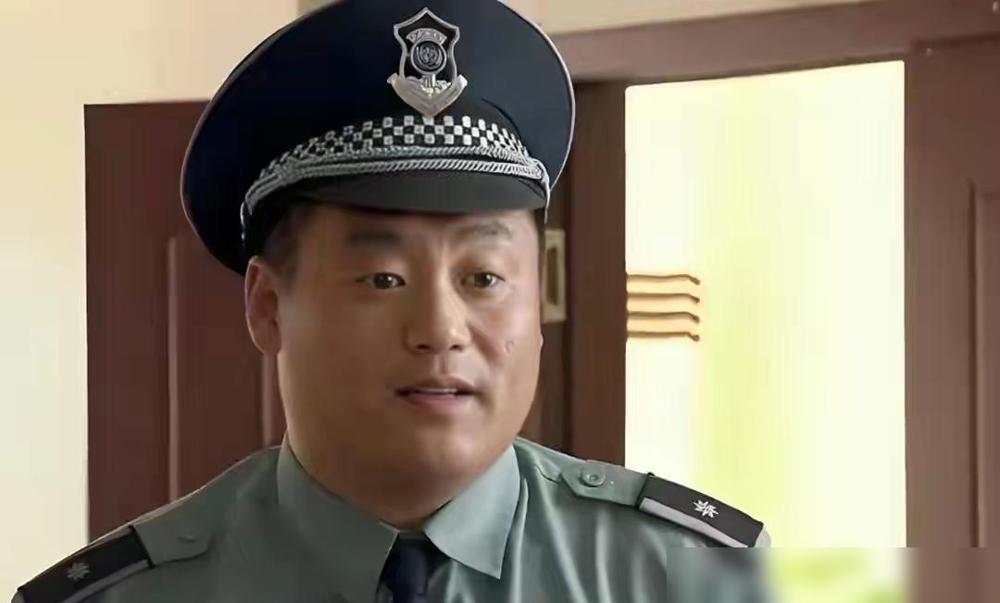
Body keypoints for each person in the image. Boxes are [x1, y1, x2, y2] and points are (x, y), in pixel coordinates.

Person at [14, 1, 771, 601]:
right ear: (268, 306)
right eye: (383, 279)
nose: (441, 330)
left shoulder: (686, 576)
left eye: (483, 279)